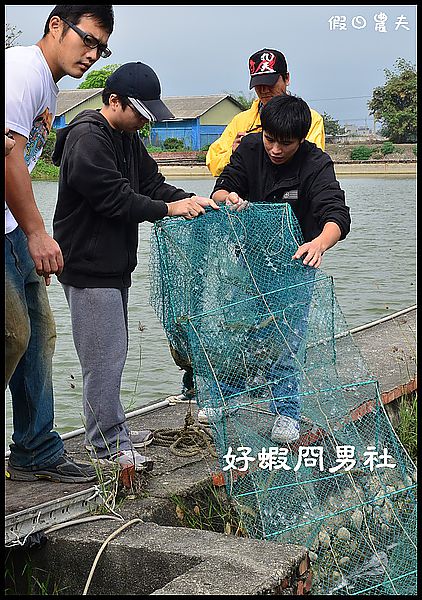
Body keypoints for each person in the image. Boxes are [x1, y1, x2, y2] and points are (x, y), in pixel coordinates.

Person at [51, 62, 220, 471]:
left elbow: (152, 185)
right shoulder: (87, 139)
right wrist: (168, 208)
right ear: (114, 102)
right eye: (140, 113)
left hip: (113, 265)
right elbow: (114, 199)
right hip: (88, 267)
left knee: (112, 352)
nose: (144, 123)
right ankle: (108, 445)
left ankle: (112, 426)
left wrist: (192, 199)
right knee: (104, 357)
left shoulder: (126, 137)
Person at [5, 5, 115, 483]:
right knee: (11, 336)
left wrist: (24, 231)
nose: (91, 54)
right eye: (86, 40)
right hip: (14, 231)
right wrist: (37, 232)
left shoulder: (47, 84)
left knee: (38, 338)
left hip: (9, 229)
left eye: (101, 48)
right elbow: (7, 157)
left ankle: (36, 450)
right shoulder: (21, 72)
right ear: (55, 26)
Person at [203, 94, 351, 444]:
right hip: (250, 259)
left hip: (297, 263)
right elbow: (221, 189)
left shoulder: (316, 163)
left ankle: (286, 412)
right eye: (270, 139)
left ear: (301, 139)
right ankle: (228, 396)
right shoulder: (252, 147)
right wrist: (231, 199)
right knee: (241, 331)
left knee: (285, 339)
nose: (275, 149)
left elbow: (337, 215)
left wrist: (319, 243)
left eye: (286, 143)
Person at [206, 48, 325, 178]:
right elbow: (213, 163)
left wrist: (255, 150)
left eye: (270, 83)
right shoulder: (240, 121)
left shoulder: (312, 119)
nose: (264, 90)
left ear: (287, 78)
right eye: (259, 84)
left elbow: (312, 164)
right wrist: (234, 153)